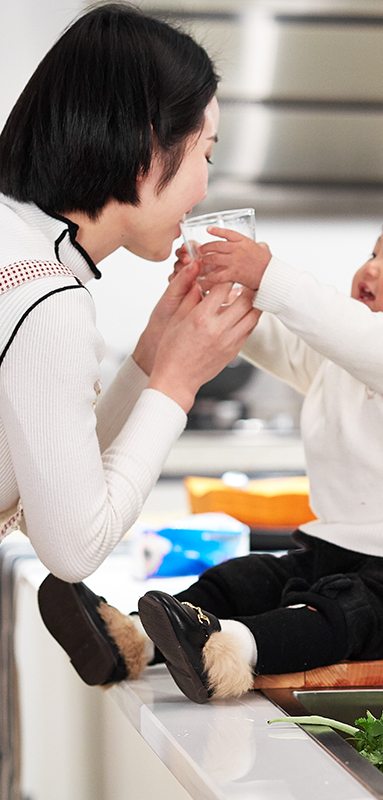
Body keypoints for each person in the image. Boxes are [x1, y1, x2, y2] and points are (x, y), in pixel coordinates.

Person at [39, 196, 383, 702]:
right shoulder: (350, 363)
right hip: (336, 556)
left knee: (337, 617)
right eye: (375, 252)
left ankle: (233, 649)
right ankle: (136, 638)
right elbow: (285, 344)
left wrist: (269, 275)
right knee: (242, 580)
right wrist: (225, 291)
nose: (372, 267)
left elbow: (353, 332)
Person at [0, 5, 259, 602]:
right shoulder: (46, 299)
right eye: (207, 155)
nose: (205, 186)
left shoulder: (25, 252)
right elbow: (73, 546)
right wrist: (178, 381)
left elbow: (59, 484)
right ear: (147, 145)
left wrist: (150, 356)